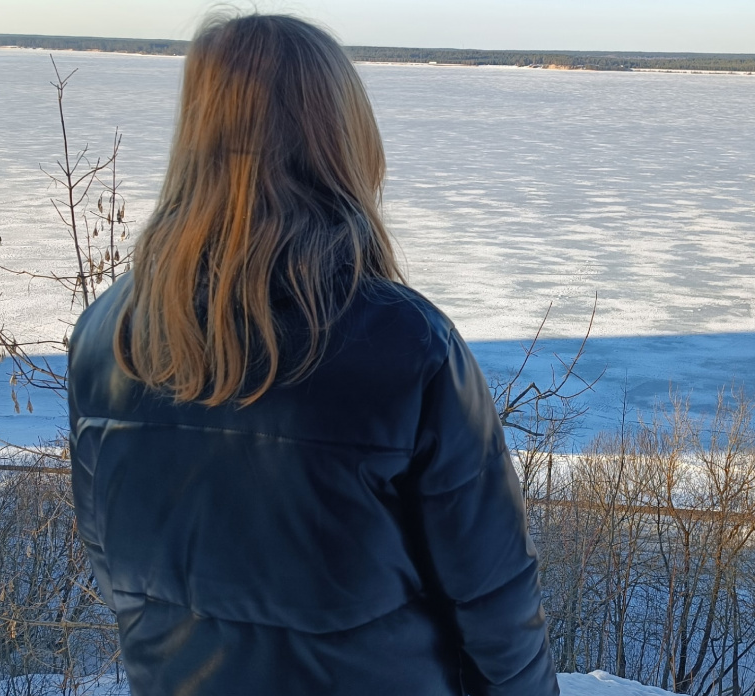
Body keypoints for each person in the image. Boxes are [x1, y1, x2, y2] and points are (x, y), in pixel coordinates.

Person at [67, 13, 559, 696]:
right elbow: (494, 598)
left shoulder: (106, 335)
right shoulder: (407, 345)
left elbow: (115, 566)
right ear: (343, 137)